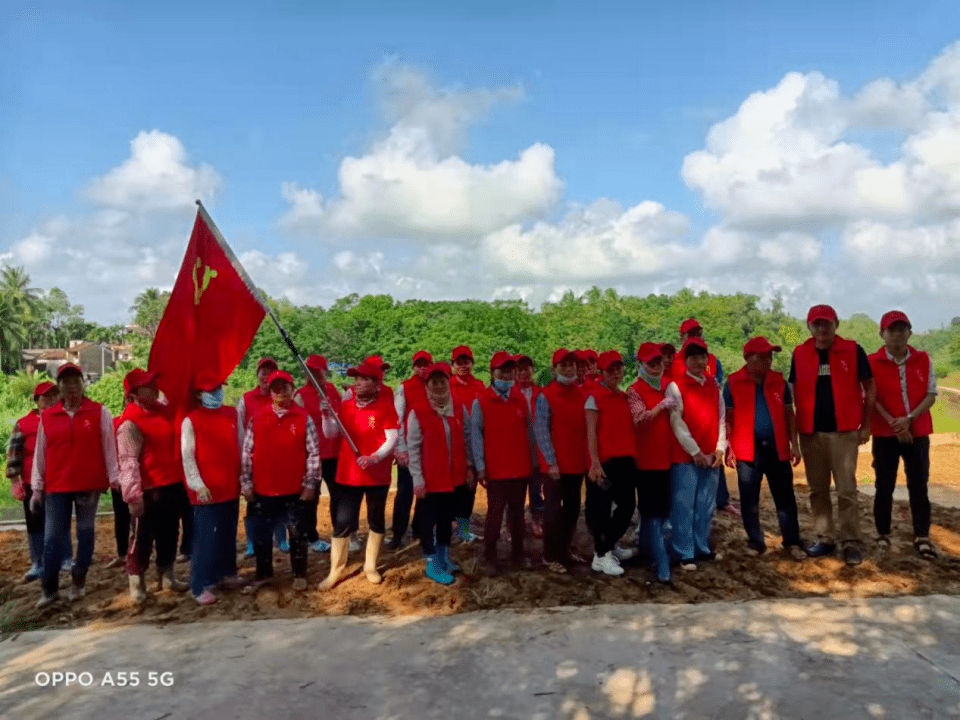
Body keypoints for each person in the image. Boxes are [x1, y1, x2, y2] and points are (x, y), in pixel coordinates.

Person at [789, 304, 876, 566]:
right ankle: (824, 538)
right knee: (817, 490)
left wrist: (866, 424)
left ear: (836, 324)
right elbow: (792, 392)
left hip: (844, 432)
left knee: (847, 489)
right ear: (809, 326)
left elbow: (869, 388)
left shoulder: (852, 349)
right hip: (811, 432)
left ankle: (850, 541)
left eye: (826, 323)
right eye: (816, 324)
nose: (821, 328)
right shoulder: (800, 352)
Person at [31, 363, 120, 608]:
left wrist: (114, 477)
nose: (72, 387)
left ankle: (78, 580)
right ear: (59, 388)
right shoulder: (48, 417)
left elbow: (109, 448)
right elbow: (41, 453)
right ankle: (49, 589)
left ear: (83, 385)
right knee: (52, 538)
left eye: (76, 382)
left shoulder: (99, 412)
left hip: (88, 485)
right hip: (56, 486)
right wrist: (36, 487)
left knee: (85, 532)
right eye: (66, 383)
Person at [318, 359, 400, 590]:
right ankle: (336, 569)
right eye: (356, 379)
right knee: (343, 521)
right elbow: (332, 433)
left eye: (365, 379)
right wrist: (326, 416)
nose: (358, 383)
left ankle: (370, 565)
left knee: (376, 518)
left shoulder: (385, 405)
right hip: (349, 472)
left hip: (376, 474)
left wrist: (375, 457)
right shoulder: (346, 406)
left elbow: (391, 437)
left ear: (376, 384)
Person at [724, 338, 806, 561]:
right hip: (746, 450)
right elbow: (728, 417)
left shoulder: (779, 380)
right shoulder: (732, 382)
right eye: (761, 356)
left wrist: (794, 445)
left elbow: (790, 414)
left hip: (778, 448)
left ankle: (792, 540)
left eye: (769, 356)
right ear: (747, 358)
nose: (767, 361)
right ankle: (755, 541)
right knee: (749, 499)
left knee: (785, 498)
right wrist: (729, 446)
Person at [240, 369, 319, 592]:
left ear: (292, 390)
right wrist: (246, 483)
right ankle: (263, 573)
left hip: (295, 489)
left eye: (284, 386)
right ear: (270, 392)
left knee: (297, 533)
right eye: (275, 387)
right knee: (262, 536)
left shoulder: (303, 417)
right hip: (263, 489)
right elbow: (247, 452)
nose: (280, 391)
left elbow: (313, 453)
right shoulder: (258, 417)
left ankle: (299, 572)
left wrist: (310, 484)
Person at [868, 311, 938, 559]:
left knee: (918, 485)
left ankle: (922, 536)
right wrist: (894, 424)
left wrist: (908, 419)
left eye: (902, 329)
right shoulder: (872, 362)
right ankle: (883, 533)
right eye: (892, 330)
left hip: (917, 431)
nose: (897, 334)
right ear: (882, 334)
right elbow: (871, 398)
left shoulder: (923, 359)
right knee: (883, 486)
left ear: (910, 332)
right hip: (885, 434)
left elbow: (930, 394)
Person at [117, 368, 190, 600]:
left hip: (172, 484)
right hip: (147, 491)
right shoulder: (129, 423)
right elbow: (127, 461)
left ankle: (167, 575)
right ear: (135, 393)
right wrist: (132, 496)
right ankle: (137, 582)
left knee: (170, 533)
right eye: (148, 385)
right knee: (141, 538)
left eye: (153, 383)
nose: (155, 388)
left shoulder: (164, 410)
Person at [471, 351, 537, 575]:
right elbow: (476, 437)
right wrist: (480, 466)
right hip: (496, 471)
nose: (506, 375)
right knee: (495, 514)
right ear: (492, 373)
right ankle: (489, 555)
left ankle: (518, 554)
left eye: (510, 371)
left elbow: (529, 432)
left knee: (518, 514)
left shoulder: (520, 399)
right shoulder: (481, 401)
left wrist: (534, 462)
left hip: (520, 468)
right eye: (502, 371)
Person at [406, 362, 473, 584]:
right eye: (433, 382)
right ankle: (432, 563)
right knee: (428, 520)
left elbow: (466, 440)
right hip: (430, 479)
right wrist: (417, 478)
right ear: (427, 384)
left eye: (442, 381)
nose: (438, 385)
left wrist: (470, 467)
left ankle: (444, 558)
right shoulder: (418, 411)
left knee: (446, 520)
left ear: (448, 382)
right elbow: (413, 448)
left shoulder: (459, 407)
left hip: (453, 477)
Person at [182, 372, 244, 605]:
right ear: (199, 394)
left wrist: (244, 477)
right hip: (205, 492)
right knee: (205, 537)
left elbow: (241, 443)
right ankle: (199, 584)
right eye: (211, 390)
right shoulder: (191, 420)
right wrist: (197, 484)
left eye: (218, 388)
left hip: (230, 486)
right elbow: (187, 457)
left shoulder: (231, 413)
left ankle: (226, 573)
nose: (216, 394)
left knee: (228, 534)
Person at [665, 337, 726, 571]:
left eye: (703, 357)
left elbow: (721, 417)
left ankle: (702, 547)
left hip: (711, 456)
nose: (699, 362)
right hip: (686, 458)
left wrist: (720, 447)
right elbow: (676, 422)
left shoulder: (713, 385)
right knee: (684, 505)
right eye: (694, 358)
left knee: (705, 505)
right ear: (686, 361)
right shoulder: (675, 386)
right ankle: (684, 551)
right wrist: (694, 451)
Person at [671, 318, 739, 518]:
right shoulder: (675, 360)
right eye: (690, 333)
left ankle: (722, 501)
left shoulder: (712, 360)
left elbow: (716, 387)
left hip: (708, 421)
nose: (695, 336)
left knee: (714, 461)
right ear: (682, 336)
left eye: (698, 333)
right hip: (683, 419)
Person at [6, 381, 72, 582]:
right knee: (35, 523)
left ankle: (66, 558)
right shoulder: (23, 424)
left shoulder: (63, 419)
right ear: (36, 400)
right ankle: (37, 563)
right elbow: (14, 453)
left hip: (58, 480)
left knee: (61, 521)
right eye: (45, 397)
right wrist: (14, 480)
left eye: (53, 396)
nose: (50, 400)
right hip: (30, 480)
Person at [626, 343, 677, 584]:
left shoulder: (668, 387)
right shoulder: (634, 391)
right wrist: (660, 406)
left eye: (659, 363)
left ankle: (649, 551)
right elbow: (639, 419)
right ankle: (661, 561)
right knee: (652, 512)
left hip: (666, 458)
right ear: (641, 365)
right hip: (646, 462)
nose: (657, 367)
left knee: (661, 510)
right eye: (651, 364)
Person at [535, 348, 589, 573]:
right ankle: (550, 555)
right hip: (556, 467)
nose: (568, 369)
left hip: (577, 464)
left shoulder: (582, 394)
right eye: (563, 365)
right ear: (554, 368)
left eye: (572, 365)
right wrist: (551, 461)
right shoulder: (545, 395)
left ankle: (565, 550)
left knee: (573, 510)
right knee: (553, 512)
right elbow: (542, 430)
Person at [584, 350, 638, 576]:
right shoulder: (594, 397)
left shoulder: (625, 397)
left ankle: (608, 547)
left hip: (626, 460)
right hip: (605, 463)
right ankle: (601, 555)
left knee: (627, 507)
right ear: (602, 372)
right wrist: (595, 463)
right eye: (611, 370)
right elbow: (591, 433)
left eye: (619, 368)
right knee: (601, 510)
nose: (616, 373)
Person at [294, 354, 342, 553]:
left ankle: (341, 533)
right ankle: (310, 537)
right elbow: (298, 426)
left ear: (324, 371)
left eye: (317, 370)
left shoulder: (332, 390)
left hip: (334, 453)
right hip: (312, 455)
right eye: (309, 370)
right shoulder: (301, 395)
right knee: (310, 497)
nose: (312, 374)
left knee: (338, 495)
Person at [388, 349, 433, 550]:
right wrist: (400, 448)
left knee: (425, 493)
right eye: (419, 365)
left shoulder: (435, 385)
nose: (423, 368)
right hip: (409, 449)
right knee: (404, 493)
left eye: (426, 364)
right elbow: (397, 418)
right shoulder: (405, 388)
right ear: (414, 367)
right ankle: (398, 533)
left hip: (429, 449)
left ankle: (419, 530)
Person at [237, 356, 280, 557]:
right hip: (254, 460)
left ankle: (281, 539)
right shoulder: (246, 399)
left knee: (280, 501)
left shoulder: (279, 398)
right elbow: (239, 431)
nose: (266, 376)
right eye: (263, 372)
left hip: (277, 460)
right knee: (253, 502)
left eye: (270, 373)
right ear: (257, 375)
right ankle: (252, 542)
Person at [449, 344, 486, 542]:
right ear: (453, 365)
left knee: (469, 486)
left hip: (474, 442)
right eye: (459, 362)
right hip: (452, 442)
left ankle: (464, 529)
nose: (464, 365)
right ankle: (447, 524)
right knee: (450, 485)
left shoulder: (480, 386)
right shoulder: (447, 385)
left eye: (467, 362)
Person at [515, 353, 545, 538]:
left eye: (527, 368)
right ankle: (514, 525)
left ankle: (537, 521)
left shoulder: (541, 393)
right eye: (519, 369)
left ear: (532, 371)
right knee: (516, 493)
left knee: (536, 490)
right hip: (517, 451)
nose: (523, 372)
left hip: (536, 450)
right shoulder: (509, 393)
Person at [105, 397, 132, 569]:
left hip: (144, 479)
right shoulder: (114, 423)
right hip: (120, 478)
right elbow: (107, 450)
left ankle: (139, 552)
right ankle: (122, 553)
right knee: (121, 516)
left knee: (141, 518)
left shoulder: (147, 421)